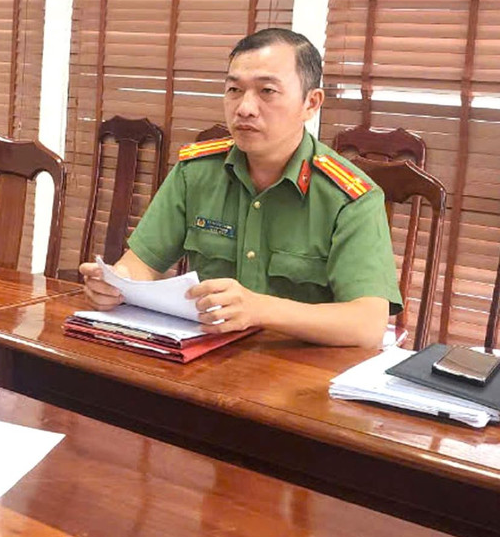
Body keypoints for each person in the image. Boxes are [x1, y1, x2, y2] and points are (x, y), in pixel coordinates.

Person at [81, 28, 401, 348]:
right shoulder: (196, 173)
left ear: (311, 103)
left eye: (267, 91)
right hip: (205, 357)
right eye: (234, 89)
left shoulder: (349, 197)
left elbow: (368, 325)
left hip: (299, 368)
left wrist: (260, 309)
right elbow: (141, 264)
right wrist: (116, 283)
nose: (244, 108)